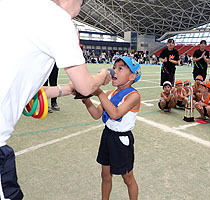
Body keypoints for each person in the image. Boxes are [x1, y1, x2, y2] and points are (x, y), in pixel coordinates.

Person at [0, 0, 112, 199]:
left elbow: (27, 90)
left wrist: (66, 89)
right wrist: (103, 76)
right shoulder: (58, 20)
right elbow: (85, 86)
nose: (78, 12)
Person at [82, 56, 141, 200]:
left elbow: (115, 114)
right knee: (105, 175)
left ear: (132, 76)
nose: (115, 71)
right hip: (107, 135)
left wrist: (99, 92)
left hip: (122, 139)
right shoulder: (110, 93)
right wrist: (87, 101)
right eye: (114, 67)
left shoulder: (134, 96)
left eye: (120, 68)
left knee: (127, 177)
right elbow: (97, 114)